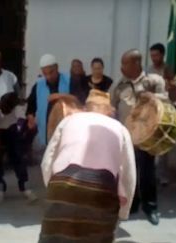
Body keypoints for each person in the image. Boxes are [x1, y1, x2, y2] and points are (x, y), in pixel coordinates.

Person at [39, 92, 136, 243]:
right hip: (100, 187)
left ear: (85, 108)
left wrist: (52, 188)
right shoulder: (119, 128)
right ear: (110, 111)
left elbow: (48, 160)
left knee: (54, 236)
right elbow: (128, 173)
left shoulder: (69, 120)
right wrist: (124, 209)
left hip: (62, 182)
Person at [111, 49, 167, 225]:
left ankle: (151, 207)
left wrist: (152, 96)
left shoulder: (153, 81)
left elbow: (167, 100)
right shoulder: (120, 85)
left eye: (124, 63)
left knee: (147, 171)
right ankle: (132, 205)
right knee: (128, 171)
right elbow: (111, 105)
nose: (121, 67)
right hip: (127, 136)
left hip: (147, 135)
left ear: (136, 64)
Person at [0, 49, 35, 203]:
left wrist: (12, 101)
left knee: (17, 155)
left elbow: (17, 95)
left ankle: (24, 186)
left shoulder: (10, 76)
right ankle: (0, 186)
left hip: (10, 123)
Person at [26, 54, 70, 146]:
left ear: (57, 67)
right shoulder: (38, 86)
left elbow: (78, 100)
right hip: (44, 136)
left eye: (51, 72)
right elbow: (31, 107)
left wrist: (59, 96)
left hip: (66, 135)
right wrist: (31, 118)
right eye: (45, 74)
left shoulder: (69, 81)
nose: (48, 76)